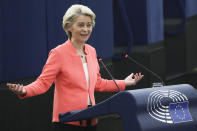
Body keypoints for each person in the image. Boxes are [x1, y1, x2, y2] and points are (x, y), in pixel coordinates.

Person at [7, 4, 144, 131]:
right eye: (81, 25)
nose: (86, 29)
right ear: (68, 27)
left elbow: (98, 83)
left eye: (89, 25)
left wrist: (125, 83)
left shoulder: (91, 51)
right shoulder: (58, 53)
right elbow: (43, 83)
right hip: (68, 123)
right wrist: (24, 90)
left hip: (91, 122)